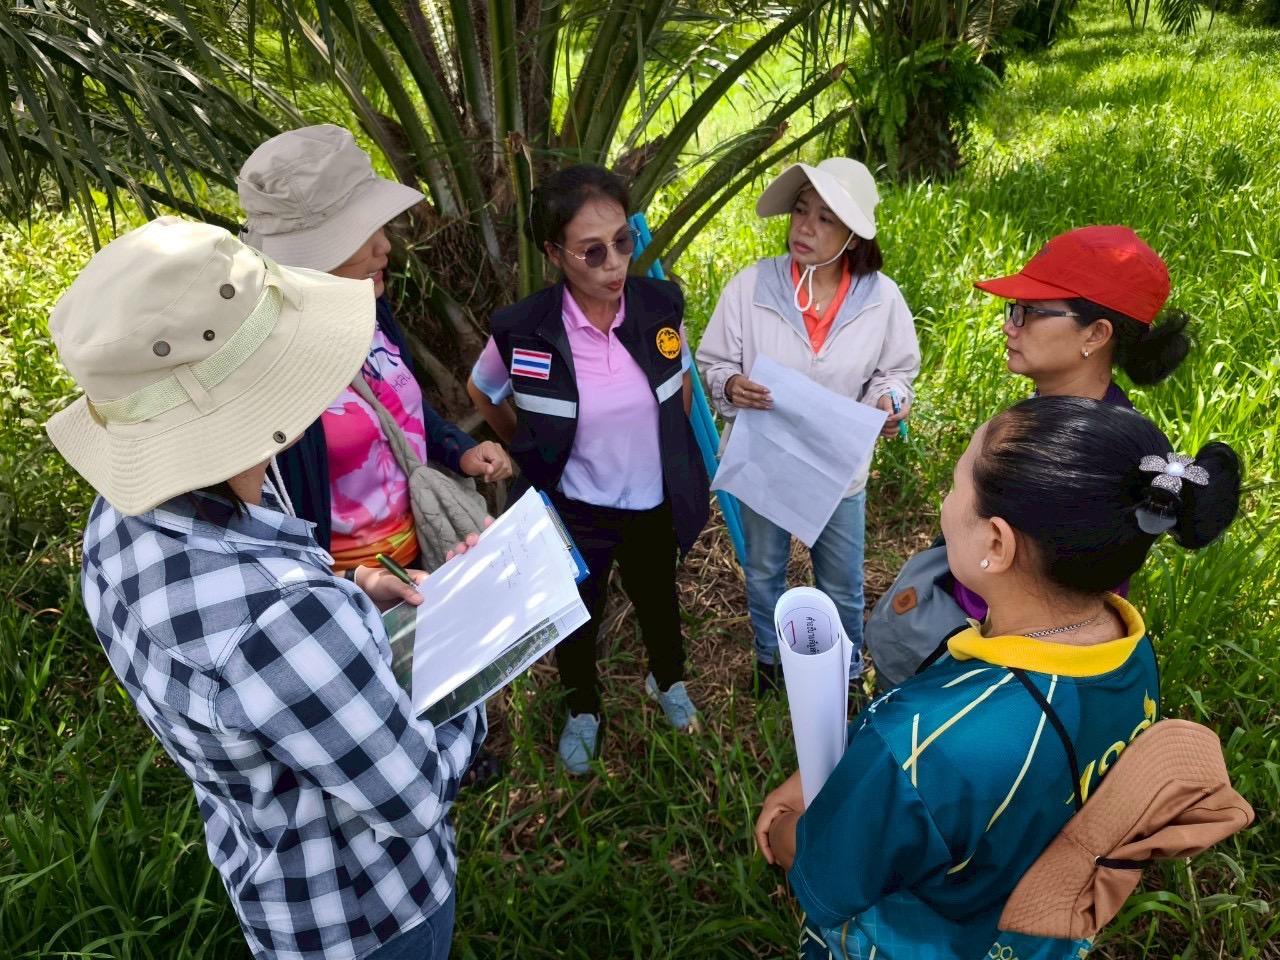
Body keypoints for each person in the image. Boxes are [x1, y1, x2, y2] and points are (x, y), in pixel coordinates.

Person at [45, 217, 486, 960]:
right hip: (376, 915)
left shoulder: (114, 530)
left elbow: (251, 675)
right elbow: (414, 794)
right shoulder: (283, 614)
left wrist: (352, 595)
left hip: (279, 893)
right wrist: (474, 645)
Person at [755, 396, 1241, 960]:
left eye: (956, 487)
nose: (944, 502)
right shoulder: (1127, 647)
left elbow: (828, 874)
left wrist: (789, 826)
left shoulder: (922, 741)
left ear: (997, 543)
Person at [465, 164, 710, 774]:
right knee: (578, 609)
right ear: (554, 253)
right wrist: (529, 446)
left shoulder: (659, 305)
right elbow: (482, 391)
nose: (614, 263)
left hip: (651, 500)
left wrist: (668, 454)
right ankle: (582, 709)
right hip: (575, 505)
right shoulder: (526, 329)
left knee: (659, 599)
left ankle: (668, 680)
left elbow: (679, 390)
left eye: (623, 242)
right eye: (592, 251)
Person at [238, 124, 512, 585]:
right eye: (359, 233)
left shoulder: (370, 308)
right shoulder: (267, 364)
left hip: (425, 552)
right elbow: (267, 519)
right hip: (355, 588)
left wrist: (459, 450)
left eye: (377, 226)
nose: (384, 245)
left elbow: (396, 406)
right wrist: (355, 585)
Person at [696, 158, 920, 694]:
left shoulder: (881, 298)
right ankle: (771, 665)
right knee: (765, 568)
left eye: (825, 218)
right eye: (800, 212)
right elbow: (715, 361)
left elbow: (898, 372)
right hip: (765, 462)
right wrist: (730, 387)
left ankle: (844, 673)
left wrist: (888, 401)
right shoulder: (752, 286)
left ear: (852, 236)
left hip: (837, 465)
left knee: (842, 581)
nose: (804, 227)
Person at [950, 224, 1193, 621]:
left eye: (1030, 312)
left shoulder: (1095, 459)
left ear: (1096, 334)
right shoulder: (1047, 411)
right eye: (1014, 308)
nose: (1010, 325)